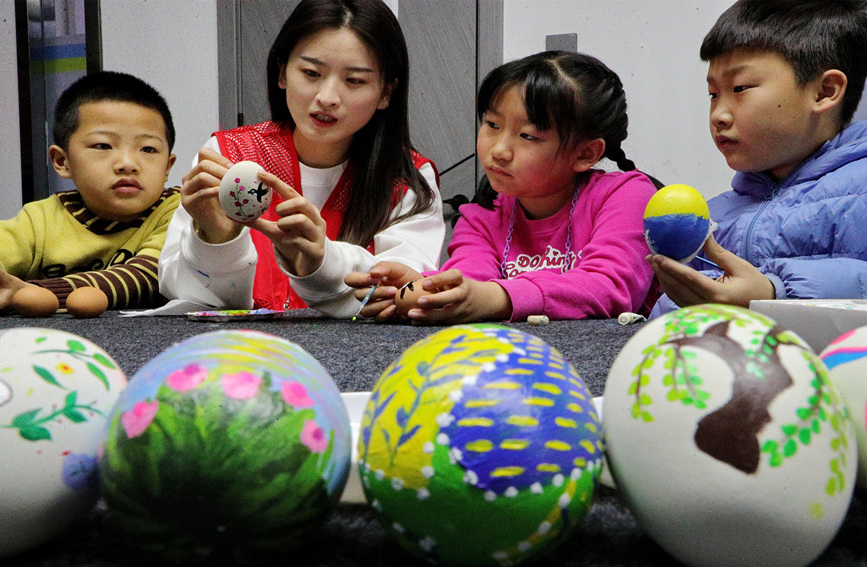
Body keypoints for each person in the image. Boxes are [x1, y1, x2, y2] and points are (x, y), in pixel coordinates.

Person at [158, 0, 444, 317]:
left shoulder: (407, 179)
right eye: (311, 73)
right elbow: (177, 289)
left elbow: (397, 295)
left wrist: (321, 259)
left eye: (354, 80)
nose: (327, 97)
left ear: (386, 93)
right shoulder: (226, 155)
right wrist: (215, 237)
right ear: (283, 73)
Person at [346, 51, 660, 324]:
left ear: (585, 153)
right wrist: (425, 289)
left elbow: (610, 288)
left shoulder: (626, 195)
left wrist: (495, 297)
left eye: (527, 136)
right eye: (493, 125)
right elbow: (470, 284)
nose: (499, 150)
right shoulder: (482, 215)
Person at [648, 0, 867, 317]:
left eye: (740, 88)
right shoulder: (716, 214)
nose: (719, 115)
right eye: (713, 94)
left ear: (824, 92)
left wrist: (774, 294)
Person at [0, 71, 179, 311]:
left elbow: (147, 277)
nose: (127, 163)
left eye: (147, 149)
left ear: (167, 167)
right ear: (63, 161)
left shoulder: (177, 211)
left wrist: (27, 292)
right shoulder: (39, 220)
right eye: (103, 145)